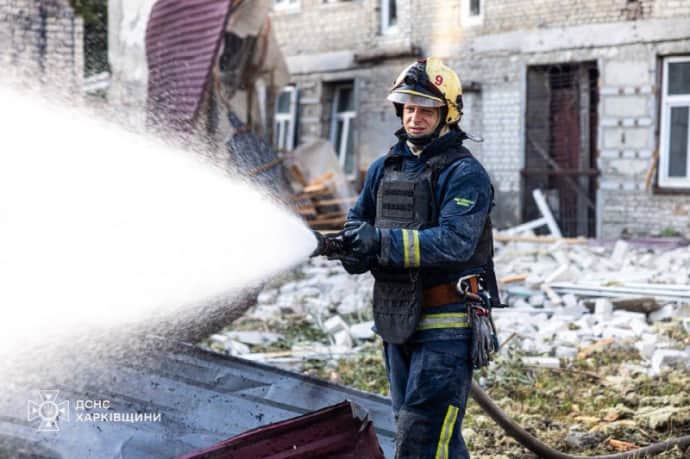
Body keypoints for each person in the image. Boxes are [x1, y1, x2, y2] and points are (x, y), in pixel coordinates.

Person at [341, 58, 497, 459]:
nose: (415, 117)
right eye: (409, 108)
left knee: (423, 437)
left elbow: (455, 242)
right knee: (419, 432)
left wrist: (380, 242)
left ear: (448, 114)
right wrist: (348, 248)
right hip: (396, 317)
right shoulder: (384, 168)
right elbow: (359, 222)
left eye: (427, 109)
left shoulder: (464, 173)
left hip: (446, 324)